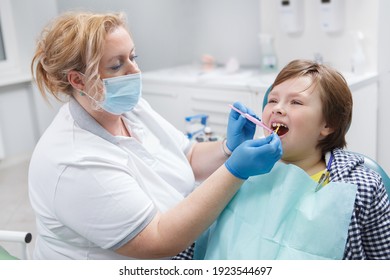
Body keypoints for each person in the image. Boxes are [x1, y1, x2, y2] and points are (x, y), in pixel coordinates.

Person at [28, 11, 282, 260]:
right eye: (117, 65)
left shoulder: (128, 109)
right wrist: (234, 171)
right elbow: (158, 242)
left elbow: (189, 157)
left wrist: (228, 147)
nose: (134, 70)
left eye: (132, 57)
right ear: (78, 81)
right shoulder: (74, 161)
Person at [194, 59, 390, 260]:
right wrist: (228, 163)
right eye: (272, 100)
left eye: (296, 102)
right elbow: (190, 241)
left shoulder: (362, 188)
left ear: (328, 124)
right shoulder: (236, 170)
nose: (277, 109)